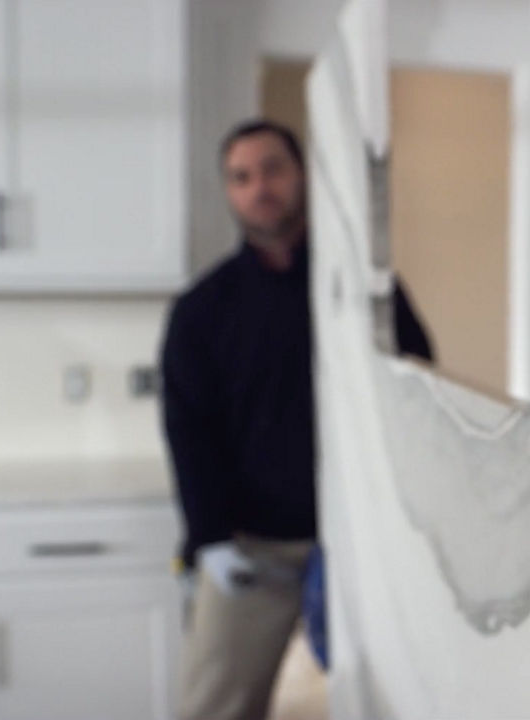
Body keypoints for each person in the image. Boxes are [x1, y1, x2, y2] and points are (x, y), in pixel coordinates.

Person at [160, 119, 317, 720]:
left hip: (353, 544)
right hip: (252, 550)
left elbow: (413, 381)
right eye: (241, 176)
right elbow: (187, 432)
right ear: (229, 192)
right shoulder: (202, 310)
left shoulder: (355, 289)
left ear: (299, 174)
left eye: (273, 168)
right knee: (213, 709)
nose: (260, 187)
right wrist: (209, 540)